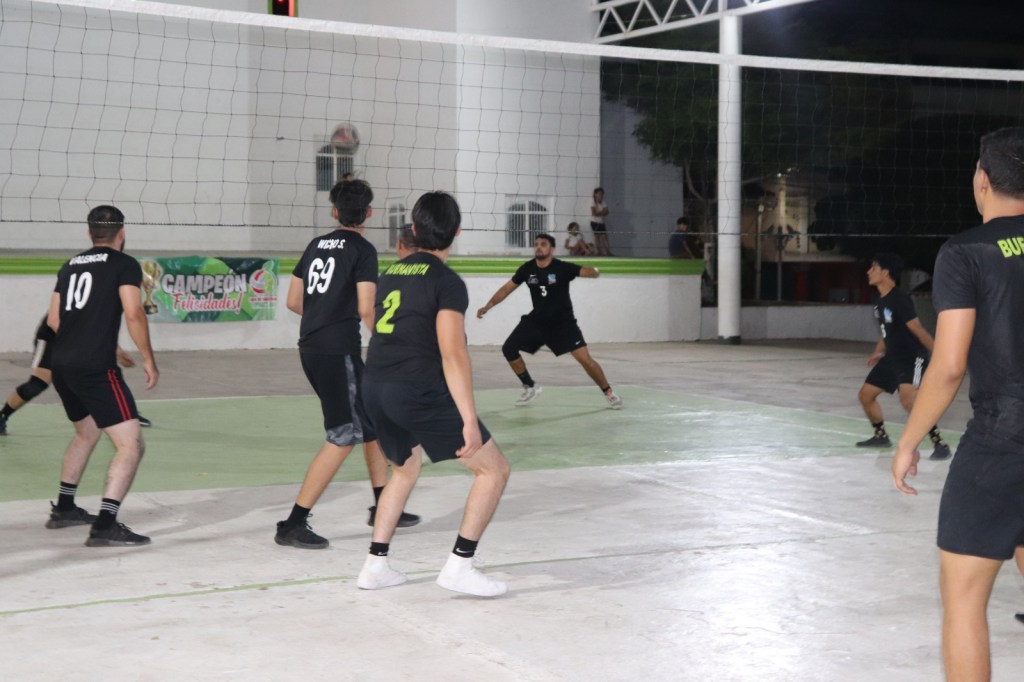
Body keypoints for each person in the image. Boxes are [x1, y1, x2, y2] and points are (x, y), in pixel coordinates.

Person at [892, 127, 1024, 681]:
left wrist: (908, 440)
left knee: (964, 598)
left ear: (983, 179)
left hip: (1002, 439)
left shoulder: (966, 251)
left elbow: (948, 366)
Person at [357, 191, 511, 597]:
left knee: (405, 469)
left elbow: (374, 320)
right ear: (456, 233)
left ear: (414, 229)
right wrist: (468, 421)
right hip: (415, 390)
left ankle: (375, 566)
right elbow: (453, 355)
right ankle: (460, 566)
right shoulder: (446, 282)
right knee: (493, 470)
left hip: (374, 387)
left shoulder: (391, 273)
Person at [276, 179, 419, 550]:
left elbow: (293, 301)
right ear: (369, 212)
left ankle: (383, 504)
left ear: (334, 211)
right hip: (337, 351)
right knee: (342, 436)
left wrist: (323, 314)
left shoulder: (315, 245)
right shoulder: (363, 250)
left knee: (369, 424)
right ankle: (292, 524)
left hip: (312, 347)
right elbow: (367, 308)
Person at [47, 205, 158, 546]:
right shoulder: (124, 264)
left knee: (87, 433)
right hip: (94, 368)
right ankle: (106, 525)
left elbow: (54, 320)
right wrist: (148, 359)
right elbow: (133, 312)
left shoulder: (70, 265)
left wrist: (99, 345)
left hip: (61, 363)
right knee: (131, 445)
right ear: (121, 233)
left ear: (89, 233)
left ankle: (65, 508)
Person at [476, 233, 623, 409]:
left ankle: (608, 392)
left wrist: (595, 272)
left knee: (585, 360)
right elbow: (506, 289)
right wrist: (488, 306)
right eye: (536, 244)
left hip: (563, 323)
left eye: (543, 244)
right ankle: (530, 386)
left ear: (551, 249)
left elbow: (586, 271)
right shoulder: (527, 269)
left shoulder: (562, 268)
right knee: (509, 348)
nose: (539, 247)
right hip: (537, 321)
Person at [856, 252, 951, 460]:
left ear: (885, 272)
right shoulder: (878, 301)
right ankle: (881, 436)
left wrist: (939, 353)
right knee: (865, 395)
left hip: (912, 357)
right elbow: (886, 331)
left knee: (909, 400)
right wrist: (878, 351)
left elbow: (916, 328)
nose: (869, 272)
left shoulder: (899, 298)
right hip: (892, 357)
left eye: (873, 268)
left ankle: (940, 444)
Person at [0, 316, 152, 435]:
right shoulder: (74, 289)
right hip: (53, 335)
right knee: (37, 384)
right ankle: (3, 415)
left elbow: (100, 326)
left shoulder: (104, 297)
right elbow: (54, 320)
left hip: (79, 337)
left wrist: (117, 351)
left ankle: (125, 413)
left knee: (102, 369)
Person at [590, 187, 613, 256]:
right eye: (599, 194)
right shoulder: (593, 202)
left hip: (601, 222)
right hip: (594, 222)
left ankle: (608, 252)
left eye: (602, 194)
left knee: (604, 237)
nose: (601, 195)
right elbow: (594, 213)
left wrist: (600, 212)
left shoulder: (603, 202)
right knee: (597, 236)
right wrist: (602, 212)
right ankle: (598, 252)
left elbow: (607, 212)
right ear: (595, 194)